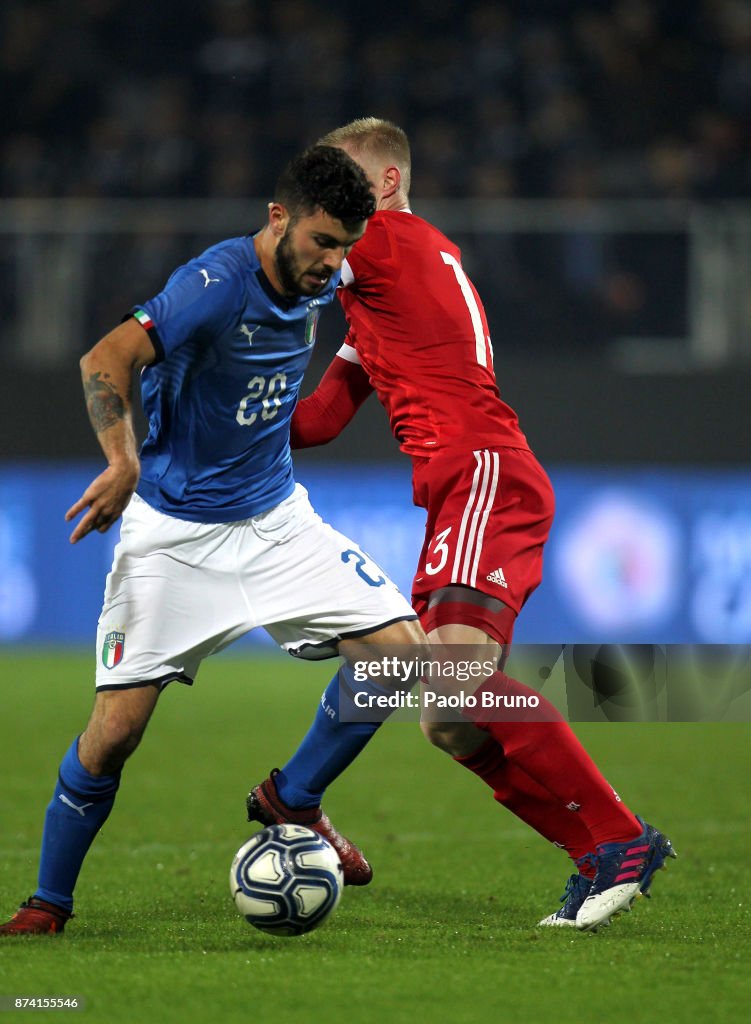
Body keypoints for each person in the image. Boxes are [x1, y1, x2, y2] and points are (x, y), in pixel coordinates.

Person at [246, 119, 676, 932]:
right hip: (463, 486)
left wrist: (174, 329)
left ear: (383, 186)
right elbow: (321, 419)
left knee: (448, 679)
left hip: (481, 472)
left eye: (339, 185)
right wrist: (232, 422)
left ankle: (618, 837)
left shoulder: (390, 245)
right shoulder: (379, 291)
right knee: (445, 718)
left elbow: (271, 258)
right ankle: (598, 854)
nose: (323, 212)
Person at [0, 145, 428, 936]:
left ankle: (293, 798)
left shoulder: (328, 273)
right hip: (174, 536)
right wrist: (122, 461)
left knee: (400, 655)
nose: (333, 264)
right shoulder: (214, 285)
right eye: (322, 243)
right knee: (115, 733)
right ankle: (47, 902)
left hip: (274, 522)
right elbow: (107, 356)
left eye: (345, 247)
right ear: (278, 219)